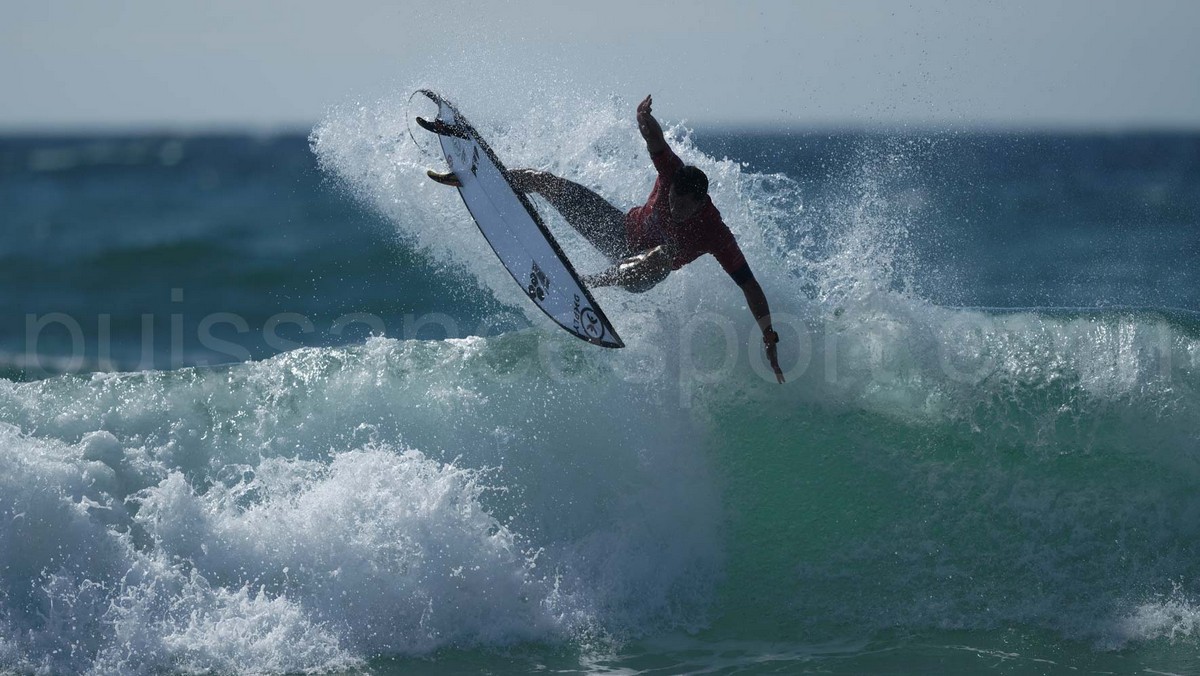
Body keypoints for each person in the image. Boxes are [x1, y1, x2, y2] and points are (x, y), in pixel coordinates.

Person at [431, 95, 784, 383]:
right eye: (672, 200)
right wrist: (643, 118)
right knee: (548, 182)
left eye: (683, 207)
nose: (675, 209)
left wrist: (769, 336)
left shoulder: (714, 231)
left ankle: (586, 284)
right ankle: (484, 179)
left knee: (664, 254)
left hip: (643, 274)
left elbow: (750, 286)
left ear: (701, 202)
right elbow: (656, 141)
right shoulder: (672, 172)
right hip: (617, 231)